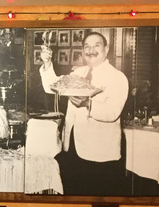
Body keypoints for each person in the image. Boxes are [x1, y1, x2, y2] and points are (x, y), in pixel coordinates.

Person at [40, 31, 129, 196]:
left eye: (96, 45)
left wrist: (87, 103)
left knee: (96, 201)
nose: (91, 50)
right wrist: (47, 63)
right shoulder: (78, 73)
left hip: (99, 155)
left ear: (106, 49)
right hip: (72, 148)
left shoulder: (117, 77)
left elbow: (112, 113)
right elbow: (52, 86)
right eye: (87, 46)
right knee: (73, 198)